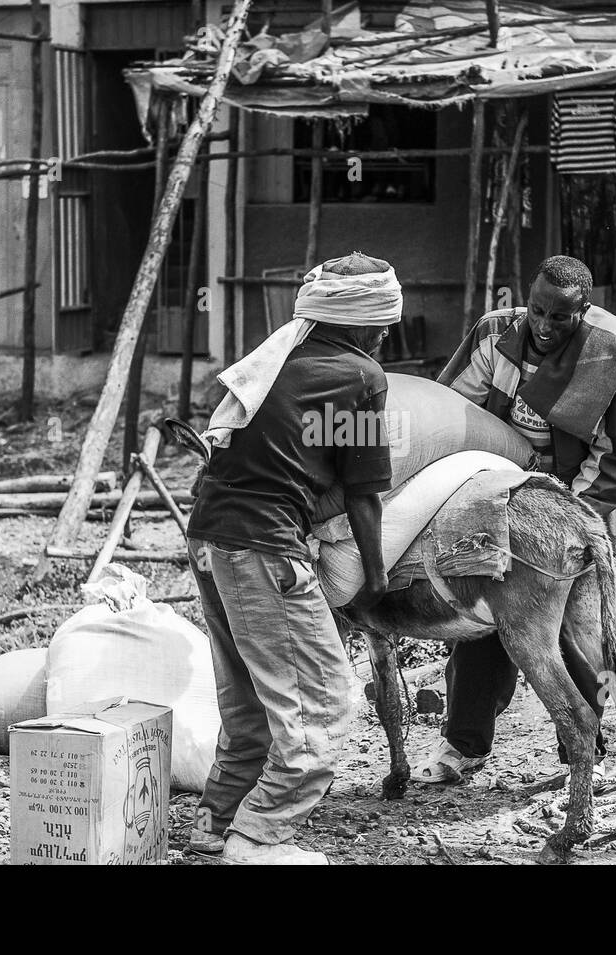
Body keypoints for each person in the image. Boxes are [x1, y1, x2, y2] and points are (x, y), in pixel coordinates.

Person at [185, 252, 401, 864]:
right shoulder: (361, 377)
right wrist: (376, 577)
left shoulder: (279, 359)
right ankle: (256, 840)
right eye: (382, 322)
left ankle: (218, 819)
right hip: (265, 549)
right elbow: (364, 492)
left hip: (208, 539)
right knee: (324, 707)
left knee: (251, 696)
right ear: (358, 322)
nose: (386, 333)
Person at [413, 254, 616, 787]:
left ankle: (588, 743)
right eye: (536, 311)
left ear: (582, 312)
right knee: (485, 611)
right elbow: (453, 416)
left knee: (574, 628)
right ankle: (465, 744)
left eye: (560, 317)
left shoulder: (607, 354)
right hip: (503, 490)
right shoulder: (493, 336)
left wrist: (560, 523)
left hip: (592, 500)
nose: (543, 326)